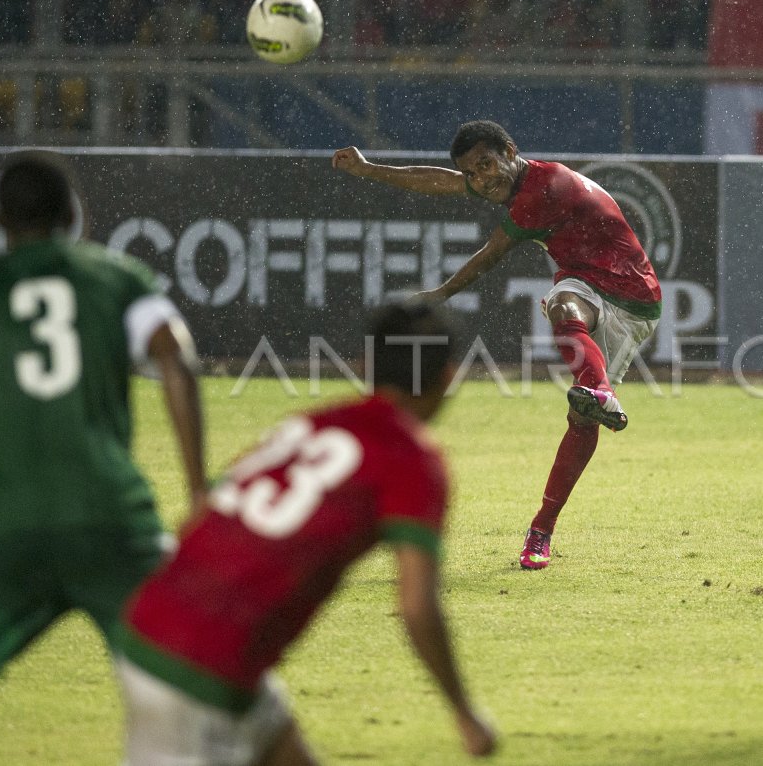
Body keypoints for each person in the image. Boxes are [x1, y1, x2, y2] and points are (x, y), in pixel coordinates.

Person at [115, 301, 497, 765]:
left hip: (156, 620)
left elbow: (208, 515)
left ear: (363, 367)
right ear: (449, 376)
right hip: (198, 666)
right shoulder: (412, 459)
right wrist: (463, 711)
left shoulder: (313, 423)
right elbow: (418, 606)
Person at [332, 120, 662, 570]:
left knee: (581, 419)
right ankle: (595, 399)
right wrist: (370, 169)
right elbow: (444, 182)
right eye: (472, 173)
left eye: (486, 165)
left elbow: (491, 253)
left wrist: (436, 296)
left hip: (633, 302)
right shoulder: (516, 182)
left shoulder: (543, 189)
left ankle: (546, 517)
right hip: (583, 283)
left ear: (511, 151)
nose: (480, 179)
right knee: (562, 304)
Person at [0, 150, 207, 684]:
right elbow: (176, 359)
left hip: (7, 526)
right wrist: (198, 489)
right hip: (113, 522)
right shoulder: (115, 278)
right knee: (194, 668)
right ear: (71, 214)